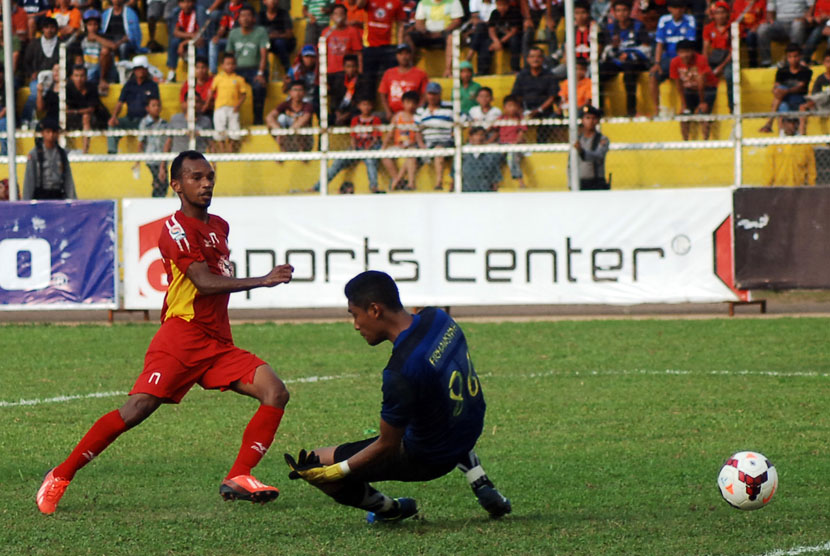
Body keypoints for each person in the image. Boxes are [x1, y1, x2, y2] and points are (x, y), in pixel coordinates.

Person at [36, 150, 294, 516]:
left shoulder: (219, 225)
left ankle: (240, 475)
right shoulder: (174, 230)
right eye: (195, 177)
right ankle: (60, 475)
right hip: (182, 337)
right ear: (176, 184)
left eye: (209, 177)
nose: (205, 184)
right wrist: (263, 281)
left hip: (217, 342)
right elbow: (203, 284)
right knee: (137, 409)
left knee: (275, 391)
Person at [284, 270, 511, 523]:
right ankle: (477, 476)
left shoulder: (401, 370)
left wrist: (338, 470)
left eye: (355, 315)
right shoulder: (438, 317)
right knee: (436, 402)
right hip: (470, 426)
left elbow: (387, 445)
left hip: (431, 458)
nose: (356, 325)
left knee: (314, 463)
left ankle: (390, 510)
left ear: (375, 310)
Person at [312, 96, 385, 192]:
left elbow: (375, 138)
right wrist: (354, 149)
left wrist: (367, 149)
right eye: (363, 105)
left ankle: (374, 187)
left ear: (372, 106)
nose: (366, 107)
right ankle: (318, 187)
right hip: (357, 147)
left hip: (370, 148)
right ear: (359, 106)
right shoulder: (355, 120)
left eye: (368, 105)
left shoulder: (376, 120)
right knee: (337, 162)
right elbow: (353, 137)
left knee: (370, 161)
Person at [599, 0, 650, 117]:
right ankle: (600, 110)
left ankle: (631, 111)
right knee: (600, 71)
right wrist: (615, 48)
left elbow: (646, 49)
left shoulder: (638, 25)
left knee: (629, 70)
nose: (621, 13)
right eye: (618, 11)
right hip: (617, 61)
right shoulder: (610, 28)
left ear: (630, 11)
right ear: (614, 13)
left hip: (635, 62)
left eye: (624, 10)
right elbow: (606, 51)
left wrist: (630, 54)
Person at [649, 0, 696, 117]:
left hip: (684, 59)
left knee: (679, 73)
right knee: (653, 75)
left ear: (684, 8)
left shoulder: (690, 20)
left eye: (680, 7)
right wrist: (657, 62)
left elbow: (689, 46)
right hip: (668, 60)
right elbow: (659, 43)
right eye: (675, 7)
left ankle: (684, 106)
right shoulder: (664, 20)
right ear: (669, 9)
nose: (678, 10)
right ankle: (656, 109)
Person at [107, 55, 161, 153]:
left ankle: (147, 155)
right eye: (137, 68)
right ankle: (112, 153)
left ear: (146, 69)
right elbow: (120, 102)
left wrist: (151, 119)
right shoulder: (128, 85)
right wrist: (114, 117)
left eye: (141, 68)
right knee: (113, 125)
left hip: (146, 121)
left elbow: (155, 103)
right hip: (130, 119)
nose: (139, 71)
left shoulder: (152, 85)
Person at [225, 4, 269, 125]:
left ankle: (258, 120)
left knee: (259, 86)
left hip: (255, 69)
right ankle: (228, 121)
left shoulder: (261, 32)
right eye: (242, 16)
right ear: (238, 19)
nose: (245, 18)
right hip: (237, 70)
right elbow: (229, 55)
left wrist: (260, 73)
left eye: (248, 15)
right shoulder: (233, 33)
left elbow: (264, 54)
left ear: (254, 18)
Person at [670, 39, 718, 140]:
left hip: (707, 89)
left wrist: (702, 102)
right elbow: (678, 84)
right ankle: (686, 142)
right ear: (678, 53)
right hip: (689, 90)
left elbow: (702, 82)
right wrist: (683, 103)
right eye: (682, 52)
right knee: (684, 115)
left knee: (703, 113)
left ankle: (706, 141)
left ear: (692, 51)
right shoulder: (674, 62)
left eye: (687, 51)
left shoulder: (700, 60)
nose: (685, 55)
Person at [510, 46, 560, 142]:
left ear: (542, 59)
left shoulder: (550, 75)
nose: (535, 59)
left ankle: (541, 146)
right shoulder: (522, 75)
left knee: (548, 121)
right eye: (532, 57)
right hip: (525, 110)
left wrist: (539, 110)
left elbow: (552, 97)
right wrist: (522, 111)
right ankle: (515, 145)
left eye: (538, 57)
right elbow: (516, 95)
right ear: (527, 59)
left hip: (544, 111)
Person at [759, 43, 812, 133]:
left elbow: (800, 88)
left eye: (795, 56)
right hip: (784, 99)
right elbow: (776, 86)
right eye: (790, 57)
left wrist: (785, 91)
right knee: (781, 101)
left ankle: (769, 122)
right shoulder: (782, 71)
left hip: (799, 99)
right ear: (787, 58)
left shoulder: (806, 71)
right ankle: (782, 133)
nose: (793, 59)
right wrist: (777, 90)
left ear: (800, 56)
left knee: (781, 92)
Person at [22, 119, 77, 201]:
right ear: (43, 133)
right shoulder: (35, 154)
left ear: (58, 134)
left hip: (58, 195)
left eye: (54, 132)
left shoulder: (62, 154)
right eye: (48, 132)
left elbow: (68, 179)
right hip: (40, 196)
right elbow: (29, 180)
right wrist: (26, 202)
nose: (51, 135)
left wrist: (73, 200)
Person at [21, 16, 60, 127]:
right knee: (34, 94)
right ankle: (26, 119)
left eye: (52, 27)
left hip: (56, 78)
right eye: (46, 27)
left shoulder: (61, 43)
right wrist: (32, 72)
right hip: (39, 78)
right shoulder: (34, 44)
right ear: (42, 29)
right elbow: (26, 62)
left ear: (56, 29)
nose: (49, 30)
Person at [407, 0, 463, 77]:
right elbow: (419, 22)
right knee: (409, 37)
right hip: (427, 34)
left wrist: (443, 32)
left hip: (445, 34)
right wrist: (424, 31)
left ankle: (448, 70)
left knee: (452, 38)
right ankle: (410, 69)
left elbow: (457, 21)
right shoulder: (423, 2)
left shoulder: (454, 1)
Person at [357, 0, 406, 88]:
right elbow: (359, 5)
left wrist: (400, 45)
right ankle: (368, 101)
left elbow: (400, 24)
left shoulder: (396, 2)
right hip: (370, 45)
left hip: (390, 46)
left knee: (391, 79)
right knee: (368, 80)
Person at [382, 90, 424, 190]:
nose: (411, 105)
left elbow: (419, 135)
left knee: (412, 156)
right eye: (408, 102)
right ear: (403, 103)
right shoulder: (397, 117)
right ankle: (397, 179)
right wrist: (384, 146)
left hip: (411, 146)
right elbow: (390, 133)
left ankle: (410, 183)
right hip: (398, 146)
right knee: (385, 156)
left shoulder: (417, 118)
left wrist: (419, 144)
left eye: (414, 103)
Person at [416, 81, 454, 191]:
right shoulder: (420, 111)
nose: (432, 97)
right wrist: (421, 144)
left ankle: (438, 183)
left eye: (435, 94)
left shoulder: (449, 107)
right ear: (426, 95)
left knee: (438, 150)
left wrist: (453, 133)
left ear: (440, 94)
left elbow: (463, 121)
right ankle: (407, 184)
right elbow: (417, 130)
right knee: (411, 154)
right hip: (427, 141)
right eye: (430, 93)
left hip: (444, 141)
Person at [206, 53, 246, 152]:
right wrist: (207, 104)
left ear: (235, 65)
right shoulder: (218, 78)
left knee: (234, 129)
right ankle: (223, 151)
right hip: (219, 107)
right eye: (227, 64)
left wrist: (238, 105)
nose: (230, 66)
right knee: (220, 129)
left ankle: (231, 150)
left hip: (233, 108)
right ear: (222, 65)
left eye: (232, 64)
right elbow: (211, 91)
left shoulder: (239, 79)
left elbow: (244, 94)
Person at [65, 64, 110, 153]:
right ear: (72, 77)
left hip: (96, 118)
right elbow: (65, 109)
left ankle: (85, 152)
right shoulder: (68, 88)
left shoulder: (91, 87)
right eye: (76, 76)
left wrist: (74, 111)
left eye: (82, 76)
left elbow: (91, 109)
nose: (79, 79)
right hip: (76, 117)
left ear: (86, 77)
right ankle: (65, 148)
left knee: (86, 116)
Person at [378, 43, 429, 120]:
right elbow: (383, 94)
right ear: (397, 56)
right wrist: (388, 111)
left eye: (406, 54)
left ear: (411, 55)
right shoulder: (389, 73)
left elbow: (424, 94)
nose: (404, 57)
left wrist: (418, 110)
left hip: (413, 115)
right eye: (401, 54)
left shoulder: (420, 74)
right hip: (393, 114)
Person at [473, 0, 522, 75]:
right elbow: (491, 29)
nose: (501, 7)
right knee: (486, 44)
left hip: (509, 38)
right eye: (499, 5)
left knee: (514, 41)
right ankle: (482, 71)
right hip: (498, 38)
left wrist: (501, 42)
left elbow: (513, 31)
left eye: (503, 5)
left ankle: (515, 69)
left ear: (508, 4)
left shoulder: (514, 12)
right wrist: (496, 41)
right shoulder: (495, 13)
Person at [757, 0, 811, 67]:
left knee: (797, 25)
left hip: (799, 21)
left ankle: (794, 61)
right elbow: (770, 11)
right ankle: (766, 62)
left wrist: (804, 18)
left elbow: (811, 7)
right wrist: (770, 20)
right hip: (779, 23)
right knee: (763, 28)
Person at [763, 117, 816, 185]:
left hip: (799, 188)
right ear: (783, 124)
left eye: (794, 122)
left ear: (798, 124)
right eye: (788, 122)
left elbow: (811, 171)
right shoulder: (775, 145)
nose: (791, 126)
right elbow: (769, 170)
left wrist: (811, 187)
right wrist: (766, 188)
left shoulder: (805, 146)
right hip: (780, 189)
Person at [266, 80, 314, 152]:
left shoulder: (308, 106)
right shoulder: (285, 104)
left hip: (303, 140)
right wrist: (279, 131)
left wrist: (290, 131)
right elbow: (269, 117)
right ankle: (283, 150)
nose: (297, 93)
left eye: (300, 90)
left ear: (304, 93)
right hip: (286, 138)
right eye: (295, 90)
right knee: (280, 119)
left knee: (302, 122)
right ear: (290, 92)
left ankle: (302, 152)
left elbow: (305, 119)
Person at [702, 1, 733, 112]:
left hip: (728, 60)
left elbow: (733, 51)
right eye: (717, 13)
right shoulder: (708, 28)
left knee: (730, 75)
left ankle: (732, 107)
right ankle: (706, 108)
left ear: (727, 14)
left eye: (722, 12)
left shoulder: (732, 27)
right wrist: (705, 66)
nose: (720, 16)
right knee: (704, 76)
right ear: (713, 15)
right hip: (713, 59)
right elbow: (705, 48)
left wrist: (721, 67)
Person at [167, 0, 208, 83]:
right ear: (179, 3)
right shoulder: (177, 12)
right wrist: (189, 37)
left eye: (189, 2)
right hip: (187, 38)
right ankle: (172, 72)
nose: (186, 5)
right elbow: (175, 32)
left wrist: (183, 43)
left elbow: (201, 33)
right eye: (183, 2)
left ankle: (201, 74)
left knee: (200, 43)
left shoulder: (199, 12)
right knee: (174, 42)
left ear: (194, 3)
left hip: (197, 40)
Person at [136, 97, 169, 197]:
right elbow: (141, 141)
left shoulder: (164, 124)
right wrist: (137, 160)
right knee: (159, 183)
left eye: (158, 105)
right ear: (148, 108)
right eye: (153, 105)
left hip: (162, 158)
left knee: (163, 184)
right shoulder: (144, 123)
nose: (156, 108)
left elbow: (167, 142)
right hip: (151, 159)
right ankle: (155, 203)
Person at [550, 0, 591, 79]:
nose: (580, 16)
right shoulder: (571, 30)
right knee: (551, 74)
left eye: (583, 12)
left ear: (588, 13)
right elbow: (566, 49)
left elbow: (598, 51)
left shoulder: (594, 29)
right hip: (571, 63)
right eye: (577, 13)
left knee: (590, 75)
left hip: (588, 64)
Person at [78, 9, 117, 93]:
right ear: (85, 26)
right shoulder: (81, 39)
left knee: (105, 51)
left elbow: (114, 46)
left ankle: (102, 79)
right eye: (90, 25)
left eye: (95, 24)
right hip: (88, 72)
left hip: (103, 72)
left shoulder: (104, 37)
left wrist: (96, 37)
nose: (92, 27)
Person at [573, 104, 610, 190]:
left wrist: (582, 151)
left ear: (597, 121)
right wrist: (571, 183)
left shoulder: (602, 139)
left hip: (596, 183)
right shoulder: (578, 139)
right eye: (587, 118)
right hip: (580, 183)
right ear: (582, 120)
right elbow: (570, 163)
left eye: (594, 118)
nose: (591, 121)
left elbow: (598, 156)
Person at [329, 54, 373, 125]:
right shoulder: (339, 79)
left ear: (357, 67)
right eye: (348, 66)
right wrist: (338, 113)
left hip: (354, 111)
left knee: (356, 116)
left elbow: (360, 102)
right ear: (344, 67)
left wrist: (345, 116)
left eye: (353, 66)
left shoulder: (363, 81)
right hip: (339, 111)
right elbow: (335, 98)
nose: (351, 69)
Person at [496, 94, 527, 188]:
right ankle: (495, 182)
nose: (512, 108)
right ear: (504, 107)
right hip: (502, 144)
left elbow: (521, 134)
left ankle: (520, 181)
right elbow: (494, 131)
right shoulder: (501, 118)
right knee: (493, 157)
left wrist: (515, 143)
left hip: (514, 145)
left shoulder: (520, 119)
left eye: (514, 106)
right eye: (509, 106)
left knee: (511, 157)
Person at [258, 0, 295, 74]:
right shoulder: (260, 15)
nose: (273, 1)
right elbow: (257, 34)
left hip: (283, 44)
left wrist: (275, 36)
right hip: (266, 44)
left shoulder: (284, 14)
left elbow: (289, 34)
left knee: (279, 42)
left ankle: (287, 70)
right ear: (264, 2)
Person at [798, 51, 830, 134]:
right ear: (824, 63)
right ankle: (802, 135)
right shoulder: (820, 79)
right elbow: (814, 95)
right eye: (828, 61)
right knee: (803, 107)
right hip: (821, 105)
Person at [462, 126, 502, 191]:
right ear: (470, 137)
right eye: (476, 135)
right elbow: (455, 173)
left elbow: (495, 175)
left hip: (485, 191)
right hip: (467, 191)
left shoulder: (491, 154)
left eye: (482, 135)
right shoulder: (463, 154)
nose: (479, 138)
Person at [285, 45, 320, 114]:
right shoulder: (294, 70)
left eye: (312, 57)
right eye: (306, 56)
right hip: (296, 96)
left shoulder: (320, 70)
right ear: (302, 57)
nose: (309, 59)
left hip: (312, 97)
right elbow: (285, 89)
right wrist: (287, 82)